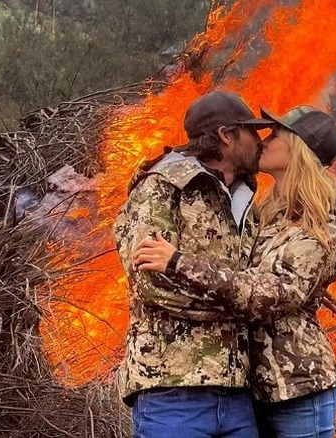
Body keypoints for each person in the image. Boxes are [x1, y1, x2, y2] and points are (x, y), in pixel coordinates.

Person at [133, 106, 336, 438]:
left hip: (299, 386)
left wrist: (178, 263)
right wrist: (304, 287)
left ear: (298, 150)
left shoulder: (329, 221)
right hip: (254, 387)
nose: (263, 141)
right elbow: (253, 273)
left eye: (275, 134)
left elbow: (273, 293)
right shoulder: (270, 212)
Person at [112, 90, 275, 438]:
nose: (260, 142)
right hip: (172, 389)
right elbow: (153, 283)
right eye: (252, 132)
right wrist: (242, 301)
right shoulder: (162, 187)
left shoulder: (247, 200)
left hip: (237, 391)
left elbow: (262, 282)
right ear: (227, 136)